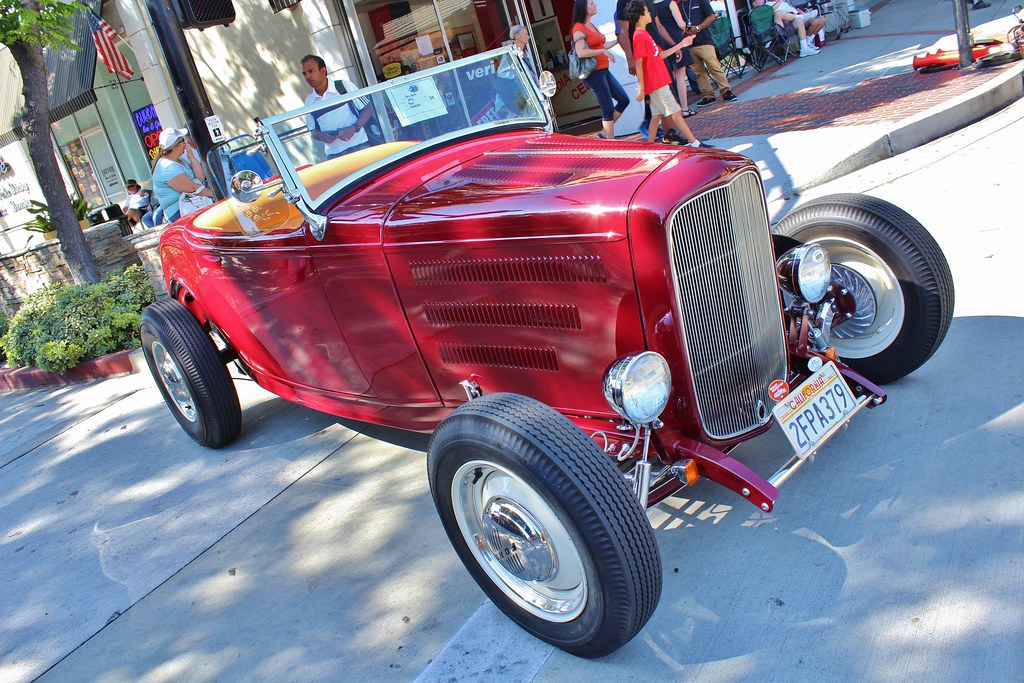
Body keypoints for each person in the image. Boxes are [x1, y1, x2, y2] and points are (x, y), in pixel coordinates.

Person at [624, 0, 710, 148]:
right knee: (675, 112)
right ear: (639, 15)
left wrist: (682, 44)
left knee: (656, 115)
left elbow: (660, 55)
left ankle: (649, 148)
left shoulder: (644, 34)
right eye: (646, 10)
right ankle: (695, 143)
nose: (650, 12)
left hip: (657, 82)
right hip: (657, 82)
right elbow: (639, 62)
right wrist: (642, 88)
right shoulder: (639, 36)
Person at [572, 0, 630, 140]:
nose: (595, 5)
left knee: (623, 100)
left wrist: (618, 40)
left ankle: (605, 134)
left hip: (603, 70)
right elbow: (581, 52)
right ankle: (611, 143)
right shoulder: (578, 28)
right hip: (594, 73)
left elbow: (602, 44)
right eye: (591, 3)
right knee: (608, 109)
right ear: (583, 8)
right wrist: (602, 51)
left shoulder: (591, 25)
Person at [301, 54, 374, 159]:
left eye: (311, 71)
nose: (307, 76)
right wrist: (322, 136)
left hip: (360, 146)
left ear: (323, 70)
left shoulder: (343, 86)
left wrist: (354, 128)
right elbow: (313, 131)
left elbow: (367, 109)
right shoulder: (309, 101)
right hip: (334, 155)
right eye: (305, 73)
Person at [678, 0, 738, 106]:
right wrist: (684, 31)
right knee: (698, 72)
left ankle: (726, 91)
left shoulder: (700, 1)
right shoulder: (678, 5)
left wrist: (698, 28)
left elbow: (711, 16)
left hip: (704, 40)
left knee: (714, 66)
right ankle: (708, 95)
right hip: (689, 43)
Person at [151, 127, 215, 223]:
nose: (186, 143)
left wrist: (192, 158)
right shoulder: (167, 167)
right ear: (176, 146)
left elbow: (200, 178)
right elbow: (192, 189)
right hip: (180, 210)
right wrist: (217, 195)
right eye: (183, 140)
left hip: (195, 202)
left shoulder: (180, 161)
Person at [647, 0, 697, 117]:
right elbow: (681, 24)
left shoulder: (651, 5)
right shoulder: (670, 3)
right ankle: (684, 109)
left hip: (662, 41)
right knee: (680, 76)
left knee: (671, 76)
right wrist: (684, 28)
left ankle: (674, 108)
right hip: (675, 37)